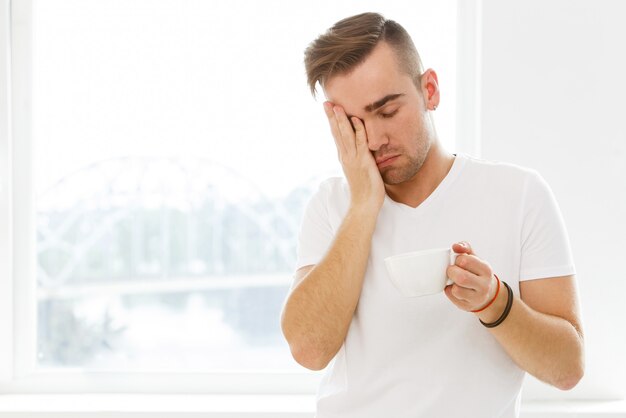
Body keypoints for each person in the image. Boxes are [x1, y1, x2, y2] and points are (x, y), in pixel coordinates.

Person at [280, 12, 584, 418]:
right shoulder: (332, 205)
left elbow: (567, 369)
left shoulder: (519, 195)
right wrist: (364, 205)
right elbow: (309, 350)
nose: (373, 140)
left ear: (430, 90)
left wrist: (495, 302)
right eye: (354, 125)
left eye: (387, 111)